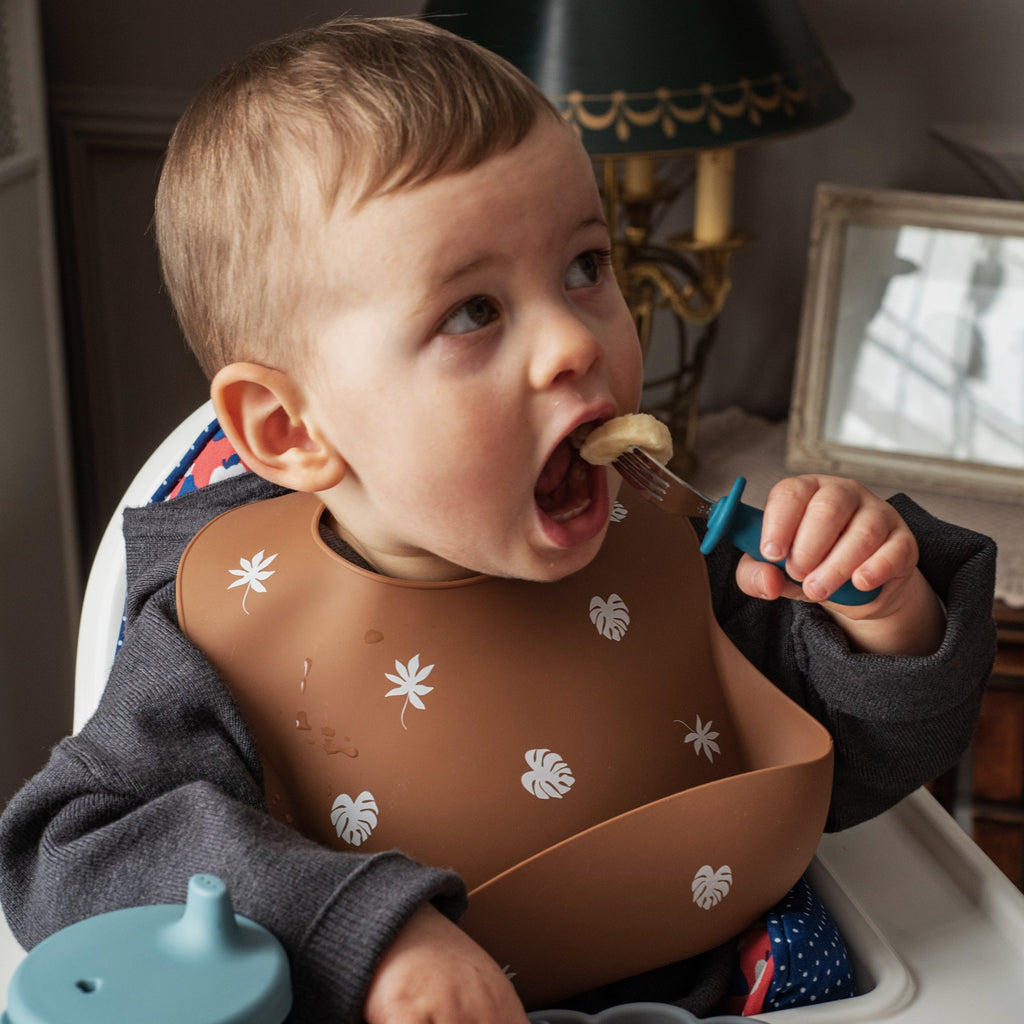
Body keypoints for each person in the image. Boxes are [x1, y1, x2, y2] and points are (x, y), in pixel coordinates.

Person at [0, 15, 996, 1024]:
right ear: (289, 427)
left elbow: (847, 765)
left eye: (585, 265)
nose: (575, 340)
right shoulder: (228, 641)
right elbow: (70, 852)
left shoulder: (663, 552)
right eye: (472, 311)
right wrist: (363, 928)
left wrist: (878, 617)